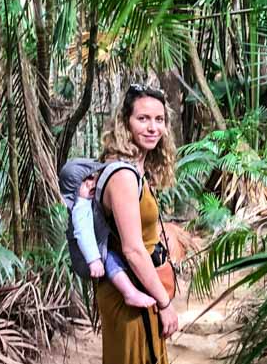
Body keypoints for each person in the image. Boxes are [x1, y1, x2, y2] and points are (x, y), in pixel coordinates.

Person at [96, 83, 179, 364]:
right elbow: (132, 249)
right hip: (130, 294)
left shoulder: (137, 170)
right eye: (142, 119)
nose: (152, 127)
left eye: (159, 119)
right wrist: (165, 304)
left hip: (143, 288)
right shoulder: (123, 176)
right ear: (125, 123)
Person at [63, 162, 156, 308]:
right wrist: (93, 259)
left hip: (96, 249)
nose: (90, 184)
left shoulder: (88, 201)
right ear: (73, 188)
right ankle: (129, 292)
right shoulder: (79, 208)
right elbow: (83, 232)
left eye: (92, 178)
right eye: (84, 181)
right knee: (111, 259)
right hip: (87, 258)